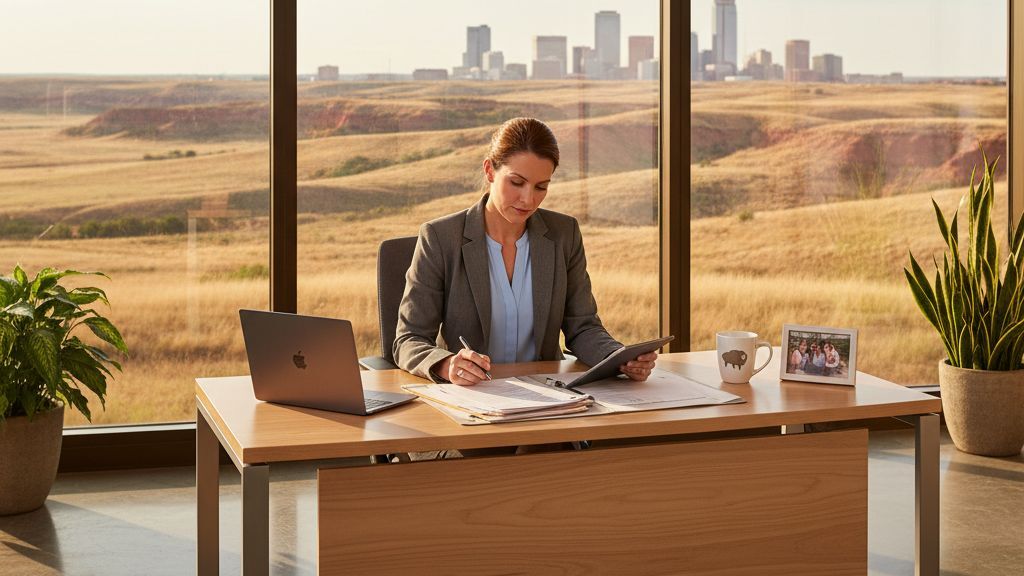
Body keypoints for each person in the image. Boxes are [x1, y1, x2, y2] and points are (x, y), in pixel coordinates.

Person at [394, 116, 658, 387]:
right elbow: (408, 340)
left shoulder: (564, 234)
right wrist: (446, 364)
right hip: (475, 396)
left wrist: (618, 358)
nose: (528, 199)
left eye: (541, 186)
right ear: (489, 171)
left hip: (549, 395)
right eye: (517, 182)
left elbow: (583, 328)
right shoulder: (440, 237)